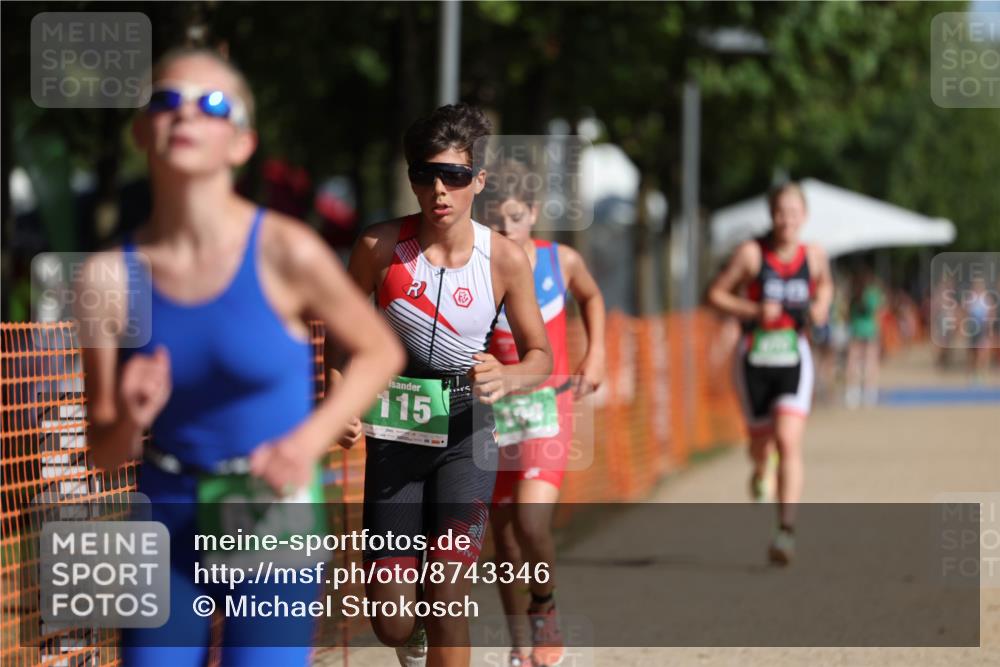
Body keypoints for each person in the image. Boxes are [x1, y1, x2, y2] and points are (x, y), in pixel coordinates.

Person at [77, 48, 404, 666]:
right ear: (142, 130)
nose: (186, 116)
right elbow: (103, 450)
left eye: (212, 105)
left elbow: (379, 350)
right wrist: (131, 417)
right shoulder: (108, 278)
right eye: (166, 101)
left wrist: (306, 444)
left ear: (241, 144)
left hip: (268, 509)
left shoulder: (286, 250)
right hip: (165, 509)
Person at [344, 104, 553, 667]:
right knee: (390, 621)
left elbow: (541, 356)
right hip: (397, 434)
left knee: (447, 595)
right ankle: (407, 642)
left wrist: (508, 375)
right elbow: (338, 336)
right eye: (425, 174)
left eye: (455, 176)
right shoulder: (378, 248)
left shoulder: (505, 260)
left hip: (468, 432)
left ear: (476, 182)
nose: (439, 189)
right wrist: (338, 394)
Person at [478, 159, 605, 667]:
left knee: (532, 521)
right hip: (490, 417)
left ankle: (545, 607)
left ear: (532, 213)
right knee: (504, 537)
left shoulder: (560, 260)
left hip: (547, 410)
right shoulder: (476, 267)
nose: (506, 228)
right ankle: (518, 645)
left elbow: (592, 296)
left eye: (514, 217)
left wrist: (594, 354)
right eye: (495, 218)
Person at [707, 181, 833, 565]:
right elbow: (716, 294)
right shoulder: (751, 254)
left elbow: (825, 286)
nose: (787, 220)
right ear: (771, 214)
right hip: (754, 359)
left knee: (788, 441)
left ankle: (785, 531)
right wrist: (754, 312)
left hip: (794, 357)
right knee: (761, 446)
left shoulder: (813, 256)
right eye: (780, 212)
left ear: (804, 216)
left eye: (794, 212)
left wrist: (821, 307)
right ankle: (761, 467)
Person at [845, 267, 884, 408]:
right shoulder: (872, 294)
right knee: (870, 362)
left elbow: (848, 314)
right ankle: (870, 392)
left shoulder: (853, 294)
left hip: (856, 330)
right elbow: (877, 312)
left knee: (853, 362)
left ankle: (852, 392)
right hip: (870, 331)